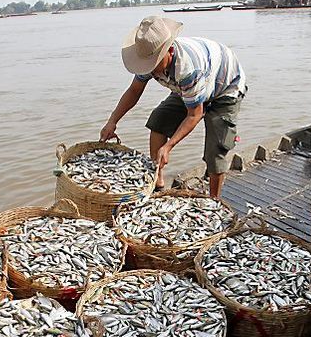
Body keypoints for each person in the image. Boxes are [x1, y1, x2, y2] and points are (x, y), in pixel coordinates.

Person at [100, 16, 246, 200]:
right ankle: (158, 183)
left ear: (169, 51)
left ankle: (214, 201)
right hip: (191, 88)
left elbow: (195, 114)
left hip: (225, 87)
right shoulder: (147, 60)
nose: (151, 71)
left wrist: (169, 146)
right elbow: (134, 91)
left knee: (215, 149)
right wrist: (112, 121)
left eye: (154, 65)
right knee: (159, 121)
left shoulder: (187, 69)